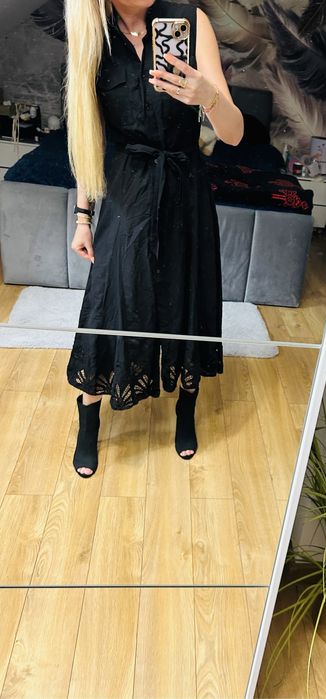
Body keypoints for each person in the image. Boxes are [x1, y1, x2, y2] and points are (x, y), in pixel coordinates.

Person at [64, 0, 244, 476]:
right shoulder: (92, 35)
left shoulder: (190, 20)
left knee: (186, 297)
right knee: (112, 299)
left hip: (186, 186)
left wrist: (207, 96)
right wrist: (83, 217)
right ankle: (89, 418)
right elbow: (87, 136)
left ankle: (186, 407)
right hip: (126, 189)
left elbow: (234, 134)